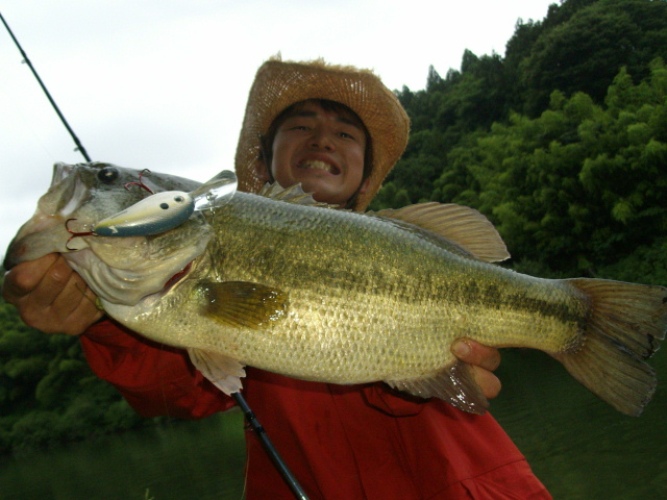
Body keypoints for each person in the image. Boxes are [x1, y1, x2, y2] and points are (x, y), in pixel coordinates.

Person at [3, 58, 551, 499]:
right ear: (264, 163)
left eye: (344, 132)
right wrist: (97, 316)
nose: (322, 140)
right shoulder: (211, 246)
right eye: (300, 127)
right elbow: (178, 389)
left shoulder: (407, 252)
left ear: (365, 171)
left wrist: (431, 376)